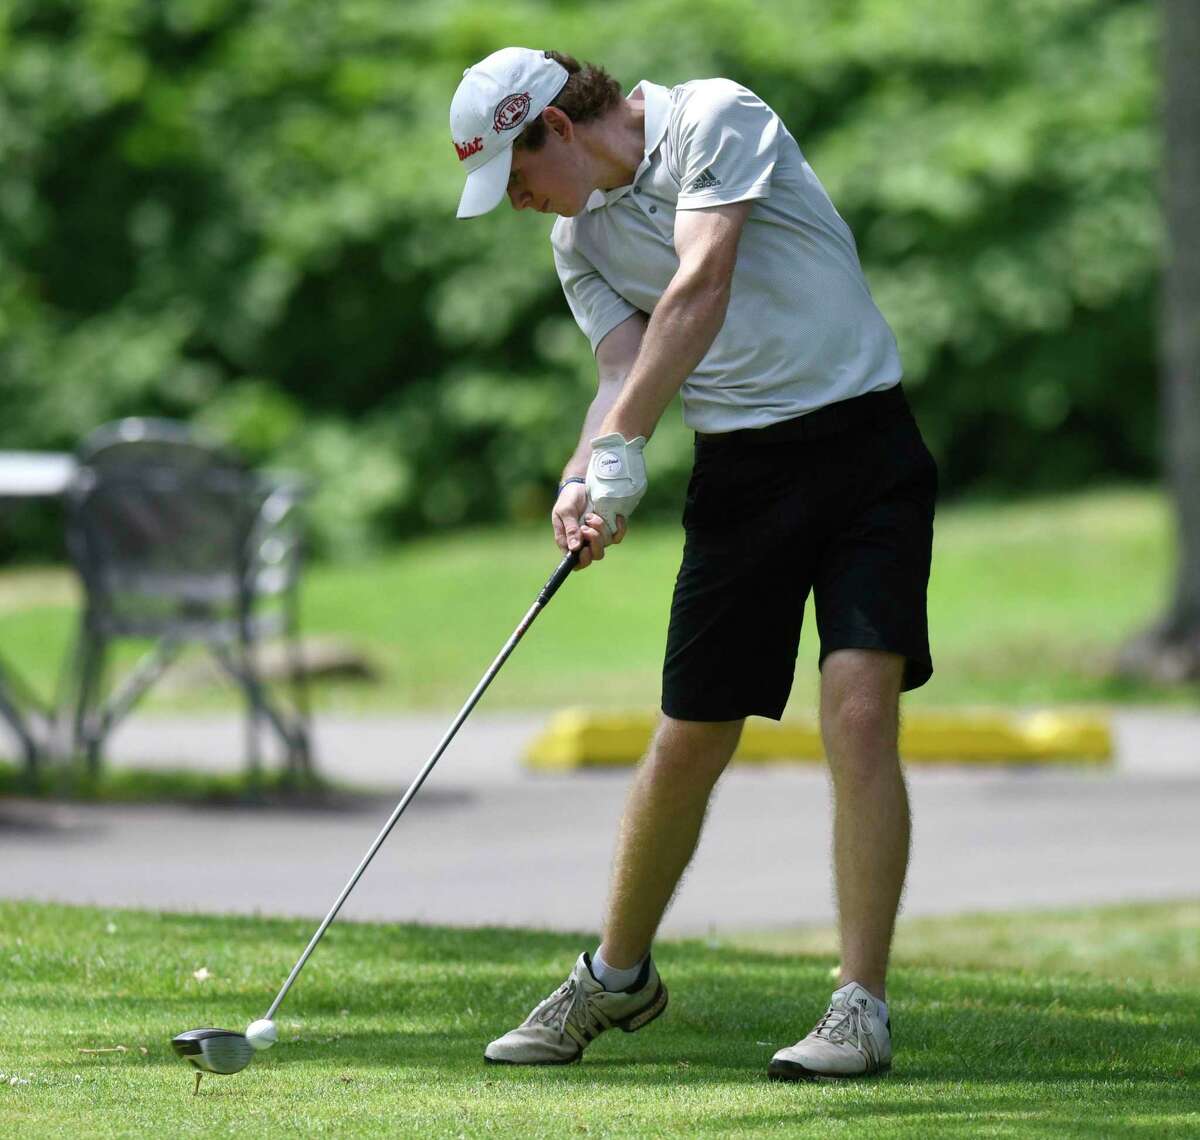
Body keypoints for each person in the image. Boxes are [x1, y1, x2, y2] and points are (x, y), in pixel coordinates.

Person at [449, 46, 937, 1082]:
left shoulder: (717, 116)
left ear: (559, 129)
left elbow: (701, 284)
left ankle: (861, 1009)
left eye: (519, 175)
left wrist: (626, 444)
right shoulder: (578, 238)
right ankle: (614, 978)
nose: (520, 202)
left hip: (863, 454)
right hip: (743, 478)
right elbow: (624, 366)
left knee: (857, 711)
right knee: (685, 744)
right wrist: (584, 476)